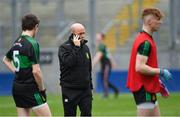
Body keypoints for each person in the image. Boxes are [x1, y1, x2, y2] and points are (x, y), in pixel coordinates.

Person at [2, 14, 52, 116]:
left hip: (17, 88)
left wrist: (17, 72)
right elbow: (36, 71)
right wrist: (42, 89)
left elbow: (5, 60)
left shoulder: (17, 42)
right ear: (36, 26)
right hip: (30, 89)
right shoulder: (32, 43)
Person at [126, 8, 172, 116]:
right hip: (144, 88)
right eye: (158, 19)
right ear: (149, 21)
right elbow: (140, 67)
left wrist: (157, 82)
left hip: (147, 87)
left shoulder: (143, 38)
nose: (160, 22)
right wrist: (161, 71)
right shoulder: (145, 42)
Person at [58, 23, 93, 116]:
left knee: (87, 114)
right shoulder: (64, 47)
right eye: (80, 34)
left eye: (83, 33)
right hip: (69, 90)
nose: (82, 36)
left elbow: (88, 69)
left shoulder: (86, 47)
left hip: (85, 90)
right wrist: (76, 48)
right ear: (73, 34)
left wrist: (90, 86)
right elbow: (69, 63)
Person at [92, 33, 119, 98]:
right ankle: (116, 90)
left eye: (99, 35)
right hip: (104, 65)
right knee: (104, 80)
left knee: (105, 79)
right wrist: (113, 62)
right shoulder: (101, 45)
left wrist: (92, 64)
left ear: (102, 37)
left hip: (106, 65)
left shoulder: (102, 45)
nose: (97, 36)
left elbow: (99, 55)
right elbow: (109, 55)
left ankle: (106, 94)